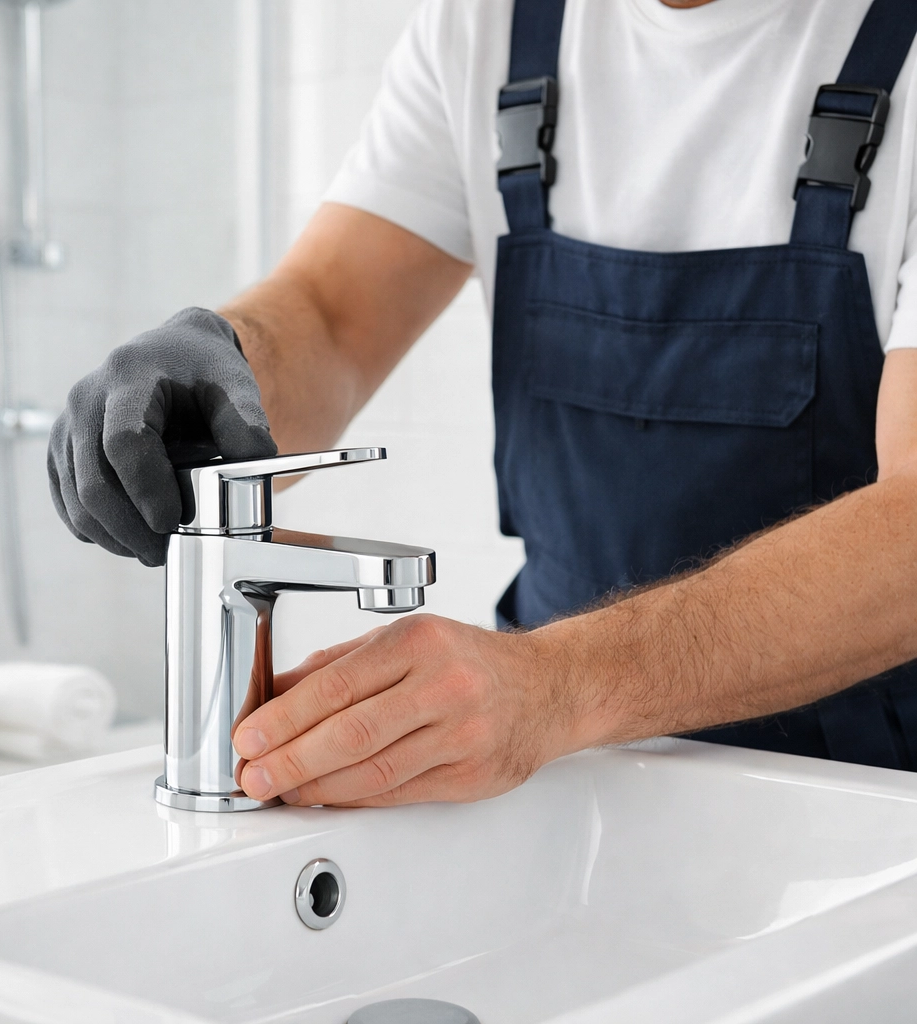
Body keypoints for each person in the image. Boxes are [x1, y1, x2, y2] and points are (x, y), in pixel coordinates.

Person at [48, 0, 917, 807]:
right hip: (570, 782)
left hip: (862, 803)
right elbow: (333, 314)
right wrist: (221, 359)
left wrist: (560, 683)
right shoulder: (490, 23)